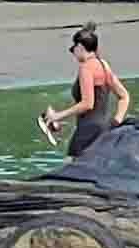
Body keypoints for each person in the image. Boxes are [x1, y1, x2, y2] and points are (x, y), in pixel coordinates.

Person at [40, 25, 132, 154]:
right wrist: (117, 121)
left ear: (80, 47)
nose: (73, 52)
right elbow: (124, 96)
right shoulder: (103, 65)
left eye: (73, 48)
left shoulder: (86, 68)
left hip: (87, 133)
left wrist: (57, 116)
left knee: (74, 169)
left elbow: (87, 104)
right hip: (105, 130)